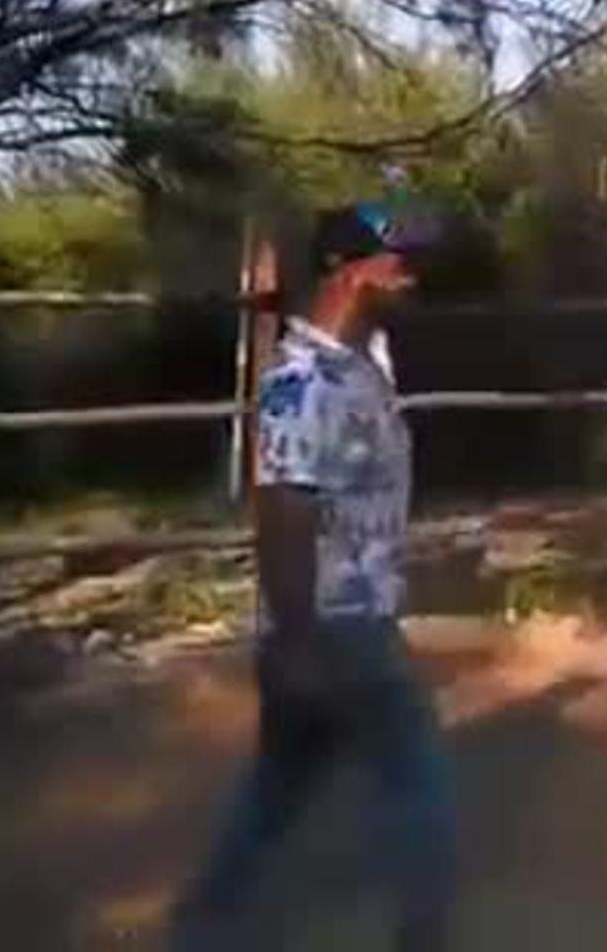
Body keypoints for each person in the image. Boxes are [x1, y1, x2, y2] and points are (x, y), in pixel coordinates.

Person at [170, 202, 453, 951]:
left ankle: (200, 926)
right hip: (338, 623)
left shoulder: (362, 363)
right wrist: (299, 644)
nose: (412, 272)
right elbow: (283, 511)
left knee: (278, 786)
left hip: (333, 621)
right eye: (397, 257)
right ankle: (424, 936)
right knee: (420, 781)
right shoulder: (304, 384)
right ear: (346, 268)